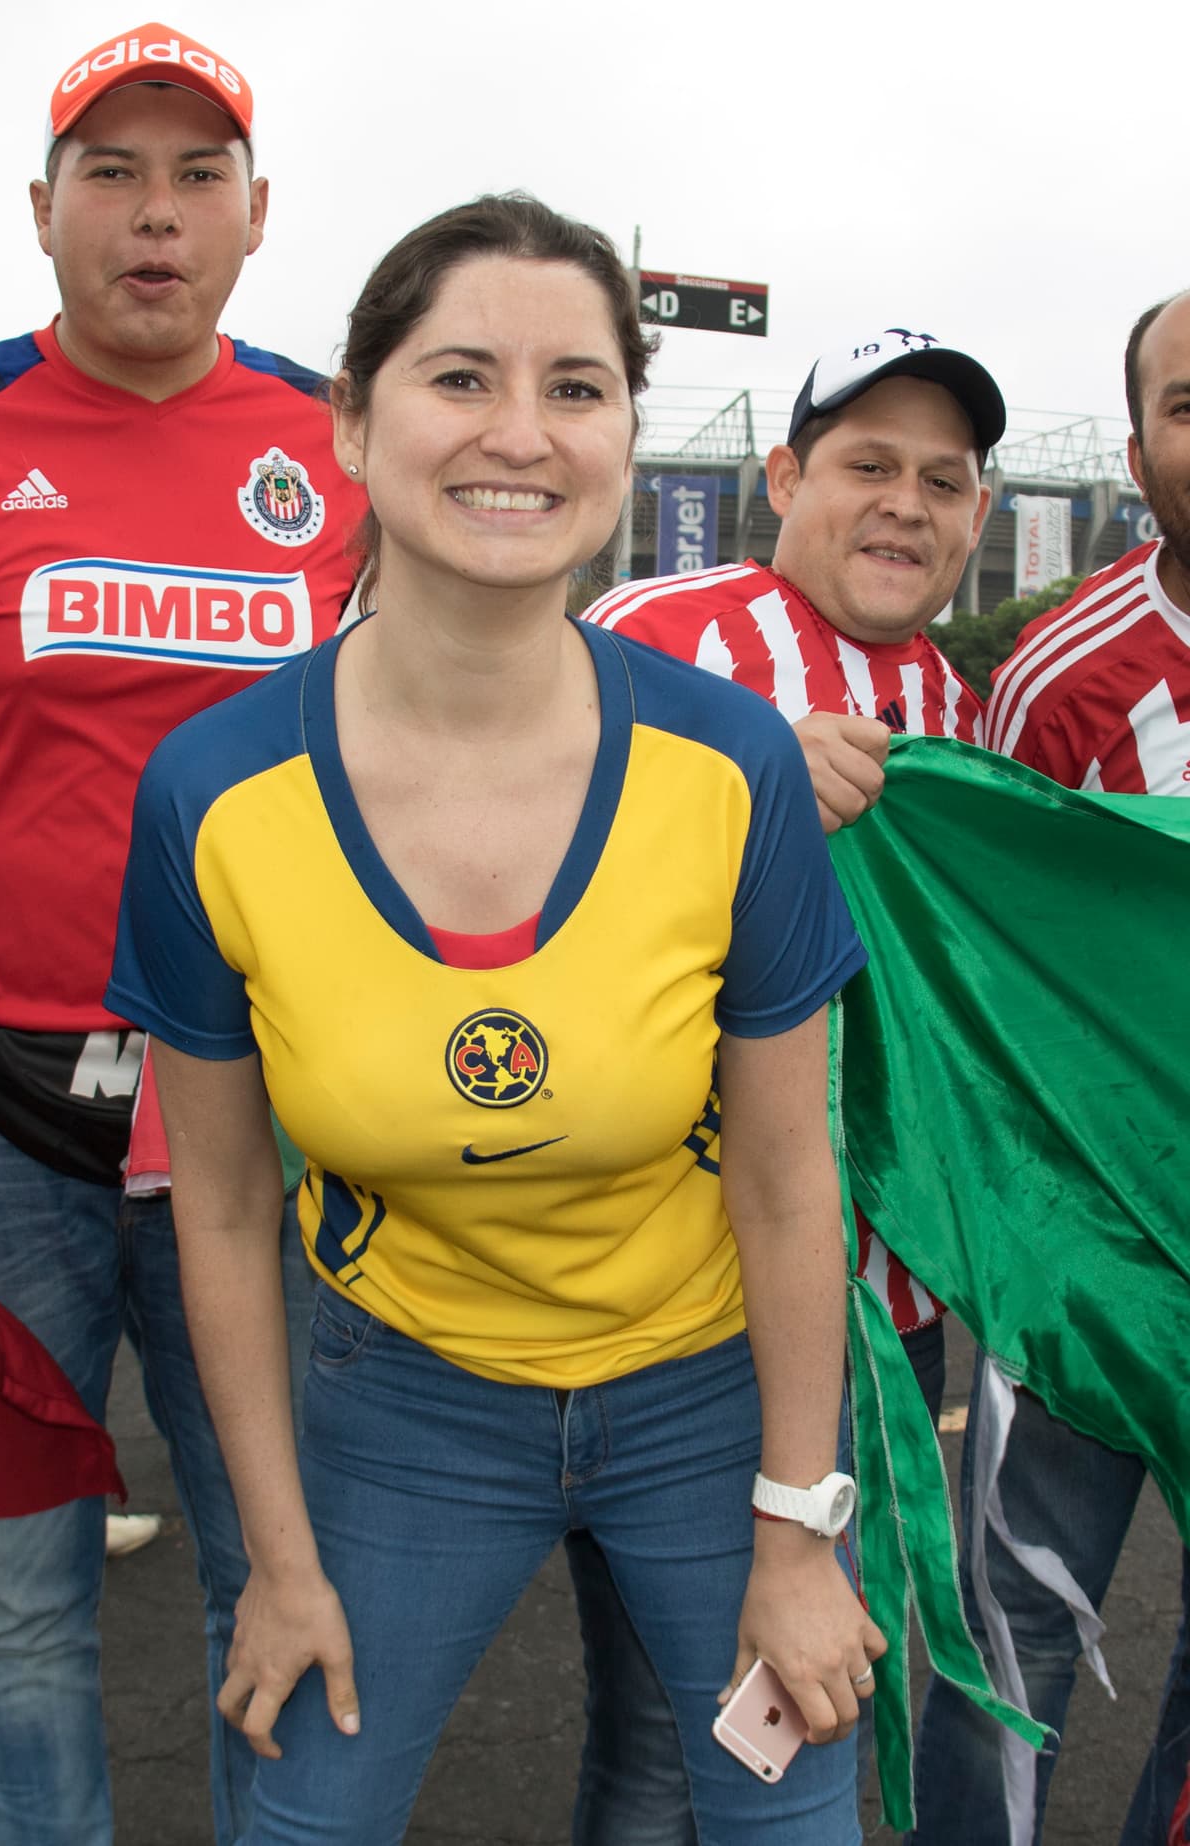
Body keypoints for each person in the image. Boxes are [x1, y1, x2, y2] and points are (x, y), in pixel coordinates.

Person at [106, 192, 887, 1846]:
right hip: (402, 1391)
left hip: (707, 1390)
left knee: (789, 1813)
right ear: (349, 417)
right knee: (300, 1819)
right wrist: (277, 1559)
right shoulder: (212, 793)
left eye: (579, 387)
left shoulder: (729, 766)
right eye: (461, 377)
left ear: (624, 431)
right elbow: (228, 1206)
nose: (520, 436)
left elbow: (786, 1174)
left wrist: (802, 1531)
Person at [0, 22, 363, 1845]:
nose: (153, 216)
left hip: (256, 1110)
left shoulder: (338, 439)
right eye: (112, 174)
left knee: (279, 1570)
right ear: (40, 211)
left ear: (259, 215)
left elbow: (476, 708)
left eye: (196, 178)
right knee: (15, 1598)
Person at [578, 328, 1001, 1816]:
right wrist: (748, 787)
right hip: (680, 1308)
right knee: (667, 1730)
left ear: (979, 515)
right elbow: (520, 879)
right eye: (867, 465)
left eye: (941, 480)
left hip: (884, 1315)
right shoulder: (654, 627)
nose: (905, 505)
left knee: (826, 1690)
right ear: (783, 476)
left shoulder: (958, 705)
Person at [908, 290, 1190, 1846]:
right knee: (1012, 1641)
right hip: (1087, 1263)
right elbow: (989, 960)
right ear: (1139, 444)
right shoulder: (1067, 676)